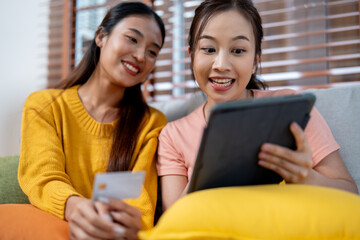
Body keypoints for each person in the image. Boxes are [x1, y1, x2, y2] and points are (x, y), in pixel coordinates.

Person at [157, 0, 358, 212]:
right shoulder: (173, 135)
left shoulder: (289, 109)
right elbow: (173, 221)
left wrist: (307, 178)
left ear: (255, 61)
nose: (221, 65)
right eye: (208, 49)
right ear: (191, 56)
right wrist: (207, 174)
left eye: (238, 51)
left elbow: (350, 192)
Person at [18, 2, 166, 239]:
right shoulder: (44, 105)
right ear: (101, 36)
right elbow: (42, 177)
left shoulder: (152, 123)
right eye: (132, 39)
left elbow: (141, 203)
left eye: (152, 51)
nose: (140, 55)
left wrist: (121, 227)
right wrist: (77, 209)